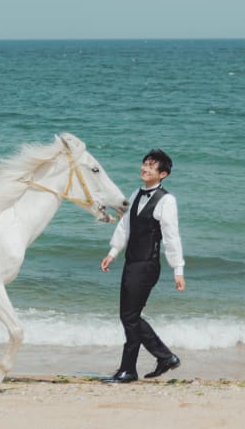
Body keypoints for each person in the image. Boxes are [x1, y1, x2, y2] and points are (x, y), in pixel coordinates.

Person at [100, 148, 186, 383]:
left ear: (163, 174)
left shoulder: (166, 200)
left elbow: (172, 236)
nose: (145, 168)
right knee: (130, 316)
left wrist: (177, 269)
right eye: (144, 163)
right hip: (131, 262)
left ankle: (134, 368)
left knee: (129, 316)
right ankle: (161, 359)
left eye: (151, 166)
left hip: (147, 266)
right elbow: (125, 226)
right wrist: (113, 252)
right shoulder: (137, 192)